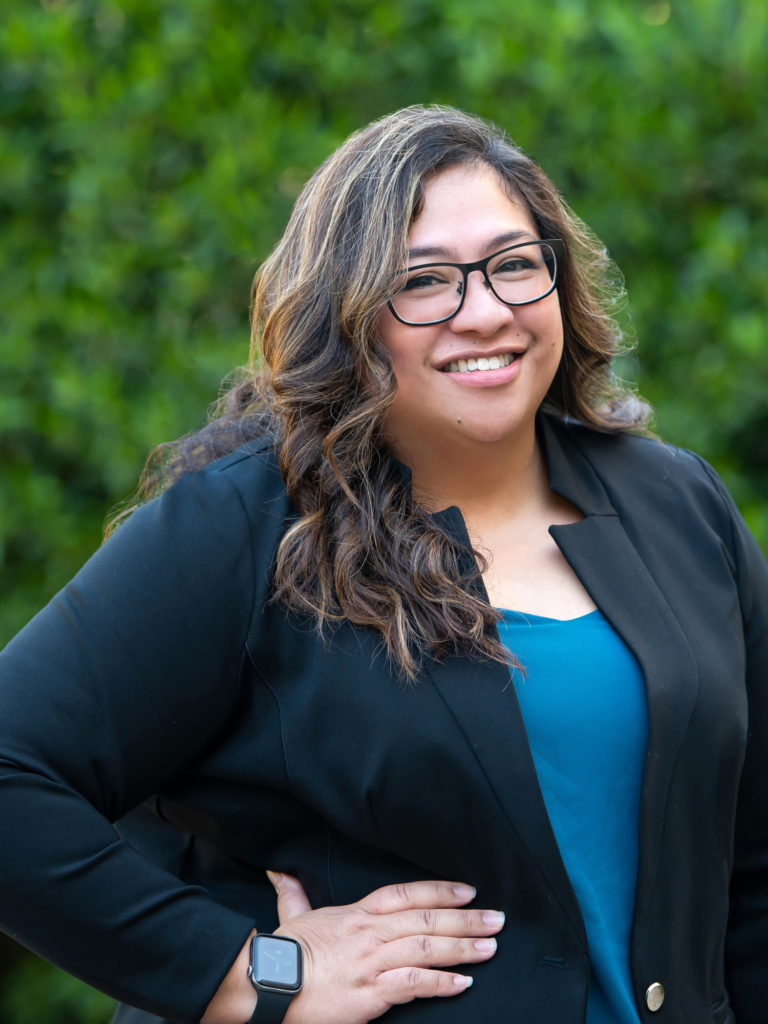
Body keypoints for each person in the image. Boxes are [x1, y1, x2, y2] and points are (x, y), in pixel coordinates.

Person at [0, 105, 765, 1024]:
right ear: (347, 312)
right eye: (424, 280)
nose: (483, 312)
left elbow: (752, 862)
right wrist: (249, 975)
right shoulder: (248, 527)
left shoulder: (677, 504)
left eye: (515, 265)